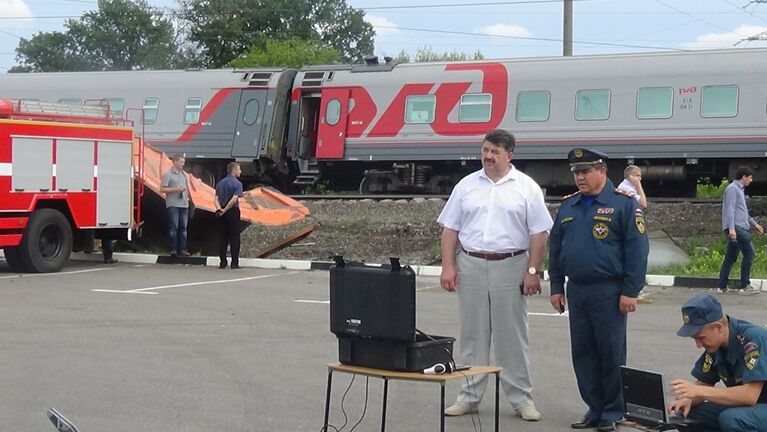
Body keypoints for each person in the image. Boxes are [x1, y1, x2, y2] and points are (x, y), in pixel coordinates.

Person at [437, 128, 553, 422]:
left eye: (495, 152)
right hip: (472, 264)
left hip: (511, 265)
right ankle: (469, 396)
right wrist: (448, 266)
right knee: (472, 335)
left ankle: (522, 400)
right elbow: (450, 229)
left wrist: (532, 271)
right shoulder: (466, 185)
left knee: (511, 337)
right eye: (485, 150)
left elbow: (539, 233)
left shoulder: (526, 187)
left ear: (509, 155)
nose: (488, 157)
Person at [548, 148, 649, 432]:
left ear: (602, 171)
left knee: (611, 353)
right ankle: (595, 407)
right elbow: (556, 250)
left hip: (610, 290)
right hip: (577, 290)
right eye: (576, 173)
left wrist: (631, 290)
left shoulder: (624, 205)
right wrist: (556, 286)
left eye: (585, 172)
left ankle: (613, 411)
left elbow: (637, 251)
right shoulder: (569, 206)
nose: (579, 177)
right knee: (583, 353)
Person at [669, 294, 767, 432]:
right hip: (754, 408)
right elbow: (704, 382)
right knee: (687, 416)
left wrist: (698, 391)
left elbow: (749, 395)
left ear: (718, 327)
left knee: (732, 419)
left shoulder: (753, 339)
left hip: (759, 404)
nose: (698, 344)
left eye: (701, 337)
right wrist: (688, 399)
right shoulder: (716, 345)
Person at [717, 166, 764, 295]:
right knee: (750, 252)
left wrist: (754, 225)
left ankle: (722, 286)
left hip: (739, 226)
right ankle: (745, 285)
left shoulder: (739, 190)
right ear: (743, 176)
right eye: (750, 177)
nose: (751, 180)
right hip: (736, 227)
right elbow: (730, 210)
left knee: (731, 257)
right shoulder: (732, 189)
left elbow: (742, 212)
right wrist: (731, 228)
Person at [617, 165, 651, 303]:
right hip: (629, 229)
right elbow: (643, 203)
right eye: (637, 176)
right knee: (635, 255)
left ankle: (637, 288)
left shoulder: (629, 188)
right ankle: (634, 290)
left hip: (633, 227)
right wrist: (638, 185)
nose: (640, 178)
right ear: (629, 177)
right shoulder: (625, 189)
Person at [160, 154, 191, 257]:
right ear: (175, 162)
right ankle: (173, 248)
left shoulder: (184, 175)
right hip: (173, 204)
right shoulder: (168, 175)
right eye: (182, 162)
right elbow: (162, 189)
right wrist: (175, 189)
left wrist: (190, 199)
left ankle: (183, 248)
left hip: (184, 203)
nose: (183, 164)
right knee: (174, 226)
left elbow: (187, 188)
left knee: (183, 227)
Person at [215, 162, 244, 269]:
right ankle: (234, 263)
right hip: (233, 211)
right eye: (239, 169)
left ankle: (222, 262)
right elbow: (234, 199)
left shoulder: (220, 183)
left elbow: (216, 198)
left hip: (221, 212)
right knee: (235, 237)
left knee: (223, 237)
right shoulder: (237, 184)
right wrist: (226, 209)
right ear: (234, 170)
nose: (240, 171)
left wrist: (220, 209)